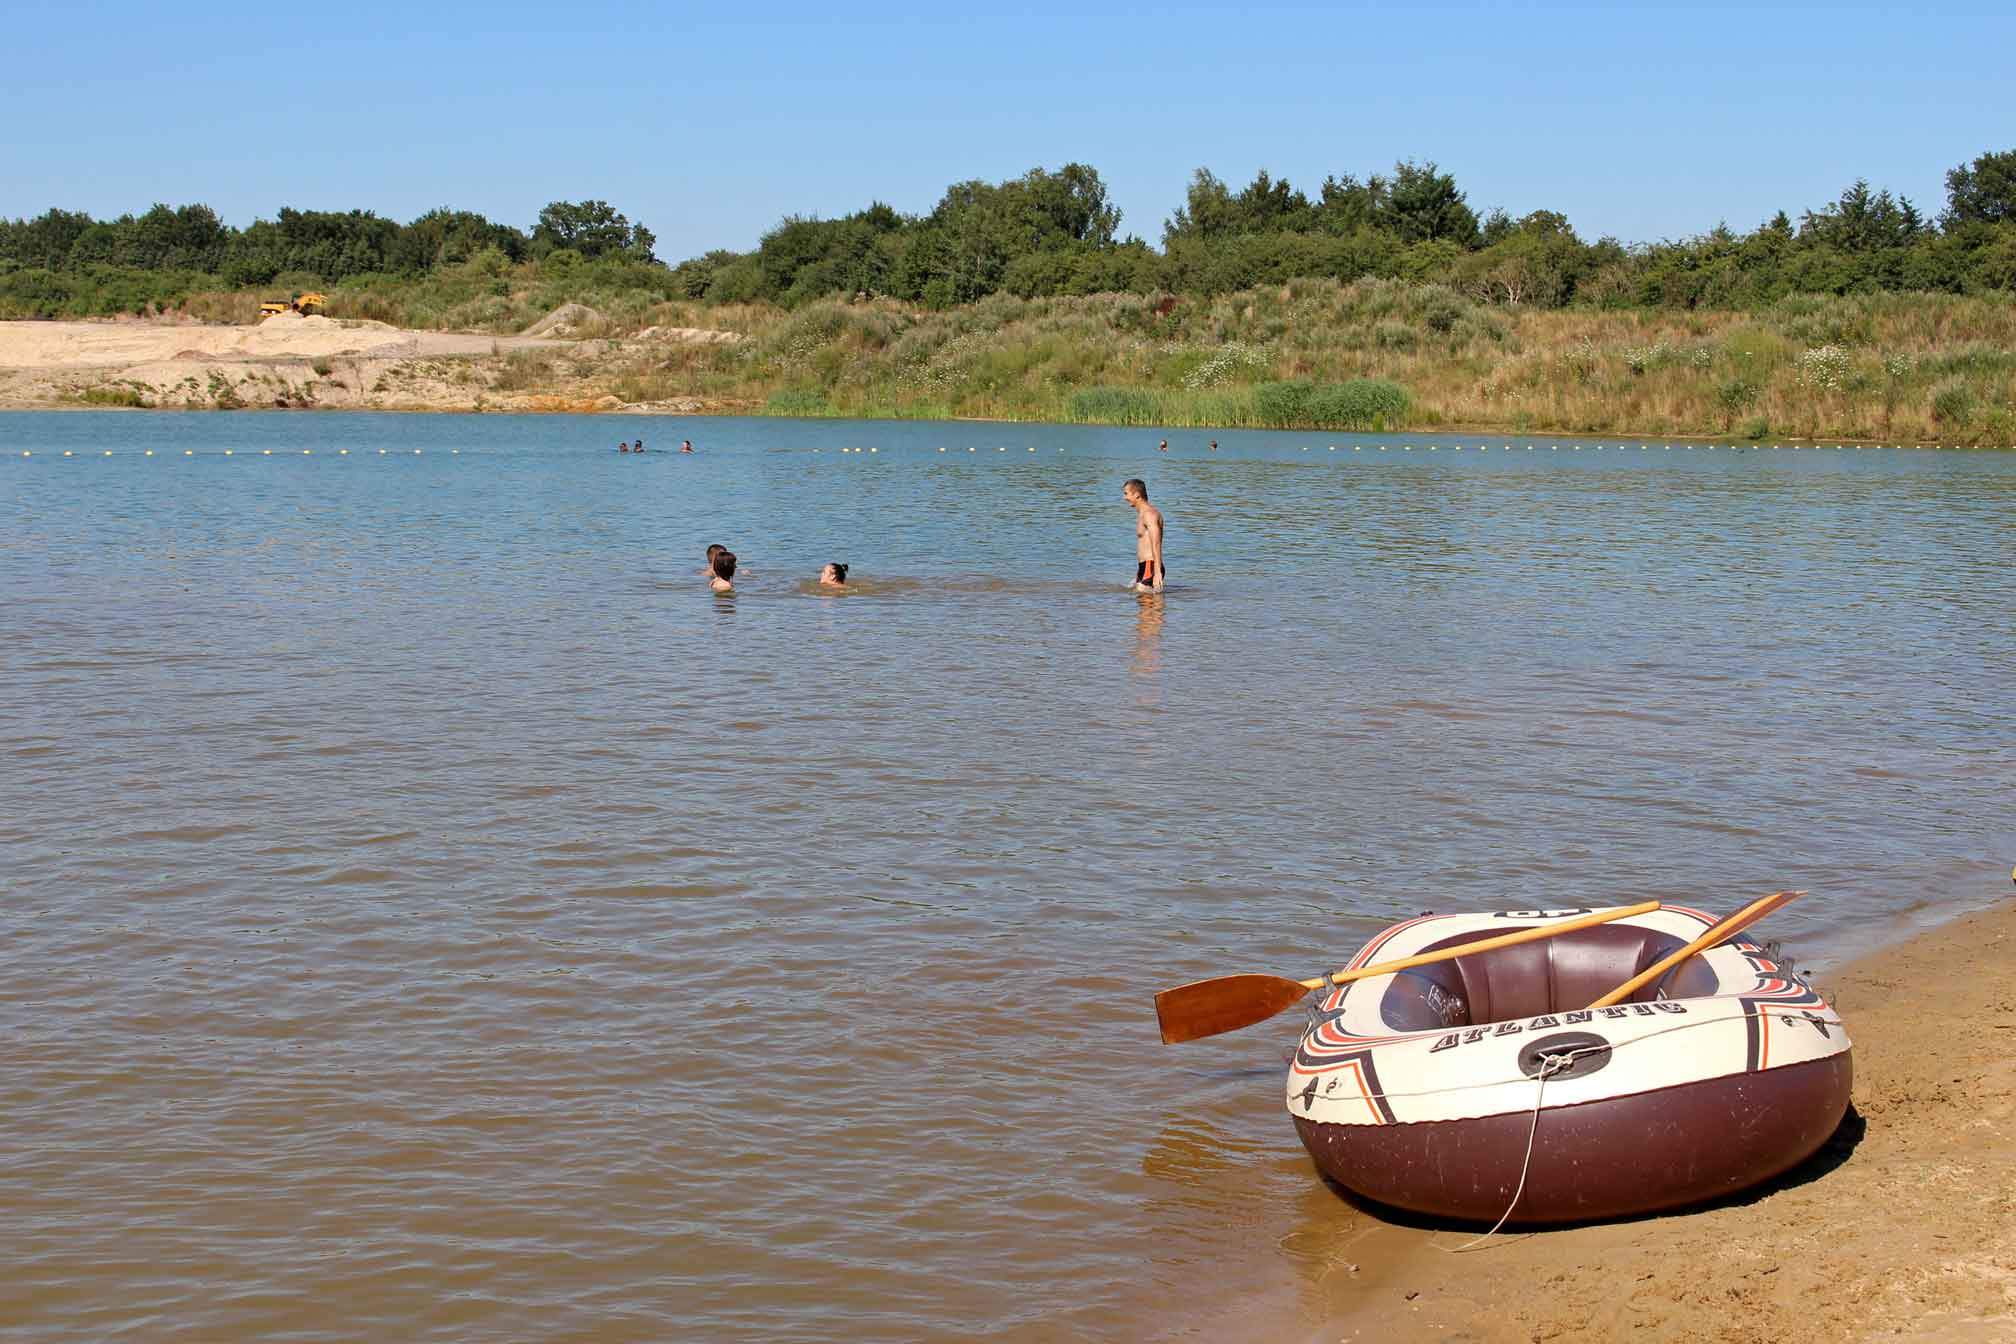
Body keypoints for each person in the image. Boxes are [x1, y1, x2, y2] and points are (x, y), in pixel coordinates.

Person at [1122, 478, 1165, 592]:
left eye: (1126, 494)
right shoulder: (1142, 514)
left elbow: (1156, 543)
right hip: (1144, 566)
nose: (1124, 498)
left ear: (1136, 495)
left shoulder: (1150, 514)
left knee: (1147, 605)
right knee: (1144, 605)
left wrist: (1157, 572)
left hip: (1150, 566)